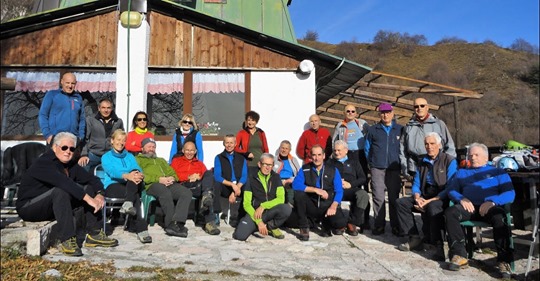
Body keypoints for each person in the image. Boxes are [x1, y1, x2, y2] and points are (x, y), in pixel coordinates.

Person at [16, 132, 118, 257]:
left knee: (89, 187)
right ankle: (67, 239)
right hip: (29, 207)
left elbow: (93, 179)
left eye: (71, 149)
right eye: (64, 147)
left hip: (52, 204)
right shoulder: (44, 162)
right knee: (61, 190)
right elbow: (63, 182)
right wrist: (88, 199)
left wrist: (99, 194)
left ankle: (95, 234)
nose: (68, 151)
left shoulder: (70, 165)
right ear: (55, 148)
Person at [445, 143, 515, 278]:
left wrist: (492, 202)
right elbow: (451, 190)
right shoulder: (462, 172)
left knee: (500, 218)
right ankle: (459, 254)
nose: (472, 158)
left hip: (490, 208)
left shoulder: (498, 172)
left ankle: (504, 260)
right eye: (470, 155)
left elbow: (510, 193)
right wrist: (461, 199)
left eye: (476, 155)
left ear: (485, 157)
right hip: (468, 208)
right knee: (450, 213)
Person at [395, 132, 457, 261]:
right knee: (401, 203)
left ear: (439, 145)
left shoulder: (449, 160)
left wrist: (432, 200)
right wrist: (417, 196)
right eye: (426, 144)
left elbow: (451, 186)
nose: (429, 146)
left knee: (433, 208)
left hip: (442, 196)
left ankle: (439, 244)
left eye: (432, 143)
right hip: (425, 194)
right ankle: (414, 238)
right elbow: (416, 183)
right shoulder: (422, 161)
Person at [101, 129, 152, 244]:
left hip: (129, 184)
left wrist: (138, 174)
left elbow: (136, 167)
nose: (121, 143)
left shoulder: (129, 156)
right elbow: (112, 171)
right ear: (112, 141)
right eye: (118, 140)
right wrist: (127, 175)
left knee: (134, 182)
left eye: (124, 141)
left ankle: (128, 204)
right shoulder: (106, 157)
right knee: (134, 194)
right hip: (113, 185)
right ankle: (142, 230)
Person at [136, 138, 193, 237]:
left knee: (186, 193)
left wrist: (172, 178)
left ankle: (178, 222)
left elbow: (173, 173)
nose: (151, 149)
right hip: (152, 185)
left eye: (153, 147)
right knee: (164, 192)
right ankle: (170, 224)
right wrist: (159, 179)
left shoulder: (161, 160)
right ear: (142, 148)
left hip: (168, 183)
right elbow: (140, 175)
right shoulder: (137, 160)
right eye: (149, 146)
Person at [292, 145, 347, 241]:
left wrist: (334, 205)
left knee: (340, 223)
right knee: (299, 194)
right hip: (311, 204)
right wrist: (315, 190)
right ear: (310, 156)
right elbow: (296, 185)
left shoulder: (333, 170)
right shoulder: (305, 169)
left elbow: (339, 191)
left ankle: (326, 224)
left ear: (324, 156)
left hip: (327, 205)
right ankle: (304, 227)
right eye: (314, 155)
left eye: (319, 155)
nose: (316, 158)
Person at [233, 153, 292, 241]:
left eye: (270, 165)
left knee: (286, 208)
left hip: (270, 211)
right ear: (259, 164)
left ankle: (270, 226)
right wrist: (259, 222)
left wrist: (263, 206)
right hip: (255, 213)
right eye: (265, 164)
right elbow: (247, 204)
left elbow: (281, 199)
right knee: (240, 236)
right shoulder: (251, 178)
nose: (268, 167)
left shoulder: (276, 177)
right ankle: (258, 226)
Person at [365, 103, 403, 236]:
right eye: (382, 112)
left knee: (394, 198)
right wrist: (372, 163)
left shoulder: (400, 129)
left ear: (393, 113)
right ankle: (379, 224)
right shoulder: (373, 129)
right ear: (379, 114)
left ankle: (395, 225)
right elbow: (367, 148)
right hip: (377, 168)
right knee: (378, 197)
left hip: (394, 168)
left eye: (388, 112)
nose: (385, 115)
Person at [171, 141, 221, 235]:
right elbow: (173, 175)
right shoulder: (176, 161)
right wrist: (189, 176)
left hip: (198, 186)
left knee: (209, 175)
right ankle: (209, 221)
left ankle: (207, 195)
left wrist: (198, 177)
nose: (189, 152)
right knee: (209, 190)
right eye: (187, 150)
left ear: (195, 151)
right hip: (184, 186)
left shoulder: (199, 164)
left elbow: (207, 177)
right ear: (183, 150)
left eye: (192, 150)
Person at [400, 97, 456, 178]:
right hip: (415, 168)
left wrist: (448, 165)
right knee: (417, 190)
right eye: (416, 106)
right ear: (414, 109)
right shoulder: (408, 127)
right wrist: (405, 169)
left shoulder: (439, 124)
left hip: (437, 166)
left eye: (422, 106)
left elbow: (449, 146)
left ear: (427, 107)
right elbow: (402, 150)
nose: (419, 108)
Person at [328, 140, 369, 236]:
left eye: (339, 150)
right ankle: (339, 223)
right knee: (330, 196)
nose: (336, 152)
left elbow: (363, 178)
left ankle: (352, 222)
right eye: (335, 150)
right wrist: (336, 182)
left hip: (351, 189)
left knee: (363, 195)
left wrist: (351, 184)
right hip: (335, 190)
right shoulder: (330, 163)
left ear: (346, 150)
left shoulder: (354, 162)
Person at [78, 98, 124, 173]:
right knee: (82, 167)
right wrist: (84, 154)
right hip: (93, 154)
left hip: (110, 154)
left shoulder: (118, 122)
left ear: (112, 108)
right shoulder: (91, 120)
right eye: (103, 107)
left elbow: (122, 138)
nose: (106, 110)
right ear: (99, 108)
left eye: (108, 108)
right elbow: (85, 138)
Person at [38, 73, 85, 145]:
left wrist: (81, 136)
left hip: (73, 139)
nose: (70, 86)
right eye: (67, 83)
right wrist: (48, 135)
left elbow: (82, 119)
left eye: (72, 83)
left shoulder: (78, 98)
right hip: (55, 139)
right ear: (62, 82)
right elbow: (43, 115)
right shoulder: (52, 95)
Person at [214, 134, 248, 227]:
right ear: (224, 144)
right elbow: (217, 176)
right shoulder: (219, 157)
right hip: (226, 186)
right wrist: (232, 186)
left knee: (249, 186)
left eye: (231, 143)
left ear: (235, 143)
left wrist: (236, 189)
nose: (229, 145)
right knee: (215, 184)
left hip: (239, 186)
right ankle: (215, 213)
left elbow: (244, 176)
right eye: (227, 143)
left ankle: (242, 216)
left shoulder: (242, 158)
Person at [273, 140, 301, 206]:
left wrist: (291, 179)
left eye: (286, 148)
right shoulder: (274, 159)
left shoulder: (293, 160)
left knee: (291, 188)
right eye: (282, 148)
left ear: (289, 150)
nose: (284, 150)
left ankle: (290, 205)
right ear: (279, 148)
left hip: (290, 180)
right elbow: (271, 173)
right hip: (277, 180)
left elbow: (299, 174)